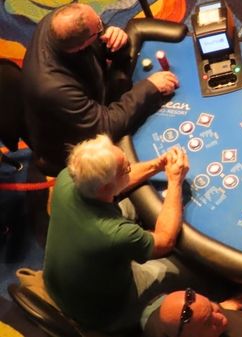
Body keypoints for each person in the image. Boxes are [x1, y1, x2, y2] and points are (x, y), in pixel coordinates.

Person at [43, 134, 190, 333]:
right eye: (126, 168)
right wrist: (175, 181)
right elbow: (165, 240)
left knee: (129, 202)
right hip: (104, 313)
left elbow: (119, 182)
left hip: (59, 286)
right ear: (105, 187)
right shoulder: (114, 234)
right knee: (180, 267)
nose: (130, 168)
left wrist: (158, 164)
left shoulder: (66, 178)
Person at [22, 2, 179, 174]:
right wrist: (150, 87)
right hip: (70, 146)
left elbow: (99, 36)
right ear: (82, 46)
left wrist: (115, 35)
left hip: (90, 94)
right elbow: (105, 127)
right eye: (99, 25)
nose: (102, 23)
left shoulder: (59, 21)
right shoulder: (53, 87)